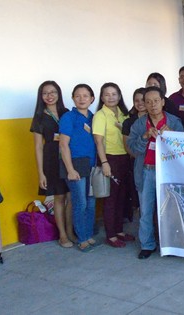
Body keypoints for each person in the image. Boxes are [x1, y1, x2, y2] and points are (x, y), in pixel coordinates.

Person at [127, 86, 184, 259]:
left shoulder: (173, 121)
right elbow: (131, 148)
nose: (152, 105)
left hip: (167, 172)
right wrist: (144, 137)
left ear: (163, 102)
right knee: (145, 210)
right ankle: (147, 245)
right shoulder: (139, 123)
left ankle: (171, 244)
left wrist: (172, 135)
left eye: (156, 101)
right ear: (143, 104)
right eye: (148, 102)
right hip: (146, 171)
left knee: (170, 210)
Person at [30, 81, 75, 248]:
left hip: (68, 158)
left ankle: (70, 231)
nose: (49, 96)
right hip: (51, 160)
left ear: (59, 94)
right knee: (59, 196)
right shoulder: (40, 117)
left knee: (71, 196)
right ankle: (62, 235)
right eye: (45, 93)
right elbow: (38, 146)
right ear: (41, 96)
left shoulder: (66, 113)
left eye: (53, 92)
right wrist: (41, 173)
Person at [93, 83, 135, 248]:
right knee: (111, 199)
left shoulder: (124, 114)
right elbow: (98, 141)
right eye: (107, 94)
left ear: (119, 96)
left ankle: (119, 231)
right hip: (110, 159)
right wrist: (104, 163)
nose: (111, 97)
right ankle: (110, 235)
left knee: (122, 197)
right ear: (102, 97)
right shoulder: (100, 115)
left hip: (124, 158)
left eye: (114, 94)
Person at [58, 84, 97, 252]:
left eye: (86, 96)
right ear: (73, 98)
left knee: (91, 202)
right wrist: (70, 169)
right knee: (80, 202)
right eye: (78, 96)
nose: (82, 99)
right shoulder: (68, 117)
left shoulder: (93, 117)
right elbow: (63, 145)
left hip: (91, 164)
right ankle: (81, 238)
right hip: (75, 165)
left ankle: (87, 235)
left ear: (92, 99)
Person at [121, 88, 148, 222]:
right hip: (136, 163)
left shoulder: (156, 119)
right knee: (140, 200)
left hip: (154, 163)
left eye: (143, 100)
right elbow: (128, 147)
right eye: (136, 100)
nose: (140, 103)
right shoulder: (128, 122)